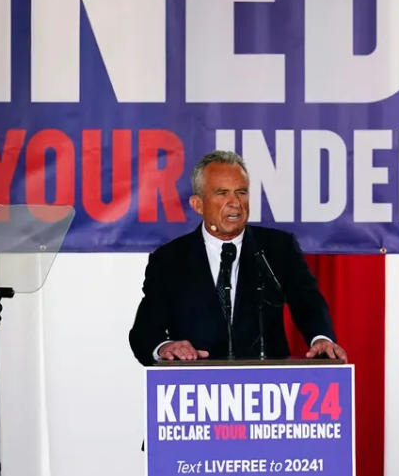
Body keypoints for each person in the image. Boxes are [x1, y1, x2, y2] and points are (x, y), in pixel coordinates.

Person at [127, 150, 348, 364]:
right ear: (198, 204)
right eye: (222, 193)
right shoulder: (170, 259)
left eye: (241, 192)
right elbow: (144, 332)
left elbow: (308, 302)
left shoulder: (277, 248)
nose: (235, 202)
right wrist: (164, 347)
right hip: (197, 390)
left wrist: (321, 337)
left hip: (267, 386)